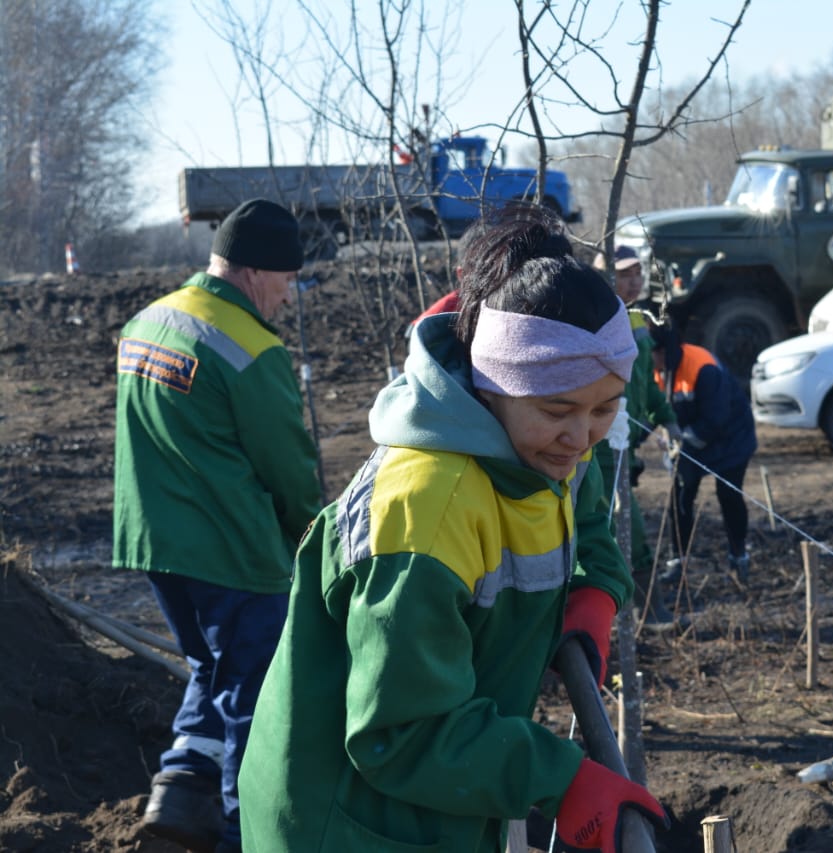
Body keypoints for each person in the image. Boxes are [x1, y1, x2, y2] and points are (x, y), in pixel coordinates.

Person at [238, 218, 668, 852]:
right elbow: (401, 732)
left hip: (429, 803)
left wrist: (590, 596)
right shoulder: (425, 513)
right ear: (496, 383)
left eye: (604, 409)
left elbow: (585, 524)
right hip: (344, 821)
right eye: (558, 412)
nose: (582, 439)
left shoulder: (536, 454)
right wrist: (558, 777)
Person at [113, 197, 323, 853]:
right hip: (233, 553)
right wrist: (315, 540)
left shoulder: (149, 321)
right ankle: (242, 833)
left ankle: (176, 796)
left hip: (154, 544)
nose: (288, 299)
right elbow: (288, 469)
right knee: (254, 699)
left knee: (210, 667)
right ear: (259, 272)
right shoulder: (251, 349)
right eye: (289, 283)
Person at [592, 245, 681, 626]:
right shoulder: (595, 317)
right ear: (604, 276)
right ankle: (641, 612)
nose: (635, 281)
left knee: (626, 522)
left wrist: (666, 418)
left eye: (638, 273)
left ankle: (640, 611)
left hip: (628, 441)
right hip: (603, 444)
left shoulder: (637, 318)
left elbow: (645, 378)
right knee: (626, 525)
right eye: (624, 274)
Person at [650, 325, 758, 586]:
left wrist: (681, 439)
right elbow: (655, 409)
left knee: (729, 495)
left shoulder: (702, 366)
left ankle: (738, 557)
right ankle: (678, 562)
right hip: (692, 439)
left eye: (648, 354)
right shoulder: (654, 371)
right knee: (682, 496)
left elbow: (716, 419)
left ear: (662, 352)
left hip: (731, 437)